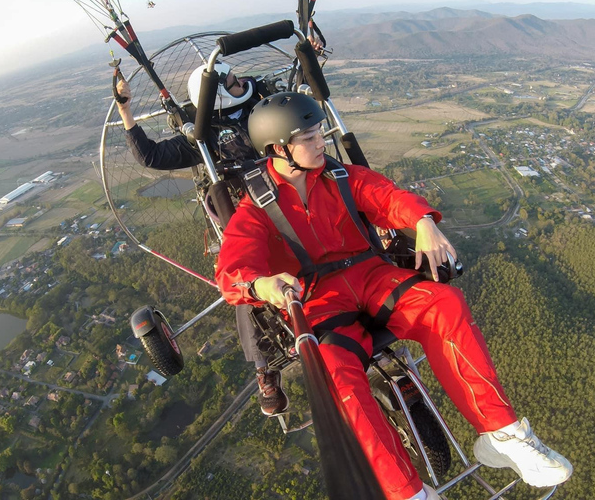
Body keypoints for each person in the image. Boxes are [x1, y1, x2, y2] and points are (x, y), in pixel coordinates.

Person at [214, 92, 573, 500]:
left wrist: (422, 221)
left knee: (444, 304)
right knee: (335, 374)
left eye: (320, 135)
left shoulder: (341, 177)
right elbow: (232, 272)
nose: (321, 144)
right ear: (279, 149)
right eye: (310, 138)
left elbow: (388, 198)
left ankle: (502, 435)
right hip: (318, 299)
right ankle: (405, 492)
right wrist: (260, 284)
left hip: (372, 276)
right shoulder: (256, 209)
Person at [115, 62, 290, 415]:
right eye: (231, 81)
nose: (240, 80)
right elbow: (151, 155)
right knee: (246, 275)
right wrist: (125, 110)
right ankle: (265, 368)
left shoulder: (267, 98)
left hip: (289, 184)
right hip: (246, 209)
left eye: (236, 76)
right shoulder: (203, 133)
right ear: (219, 94)